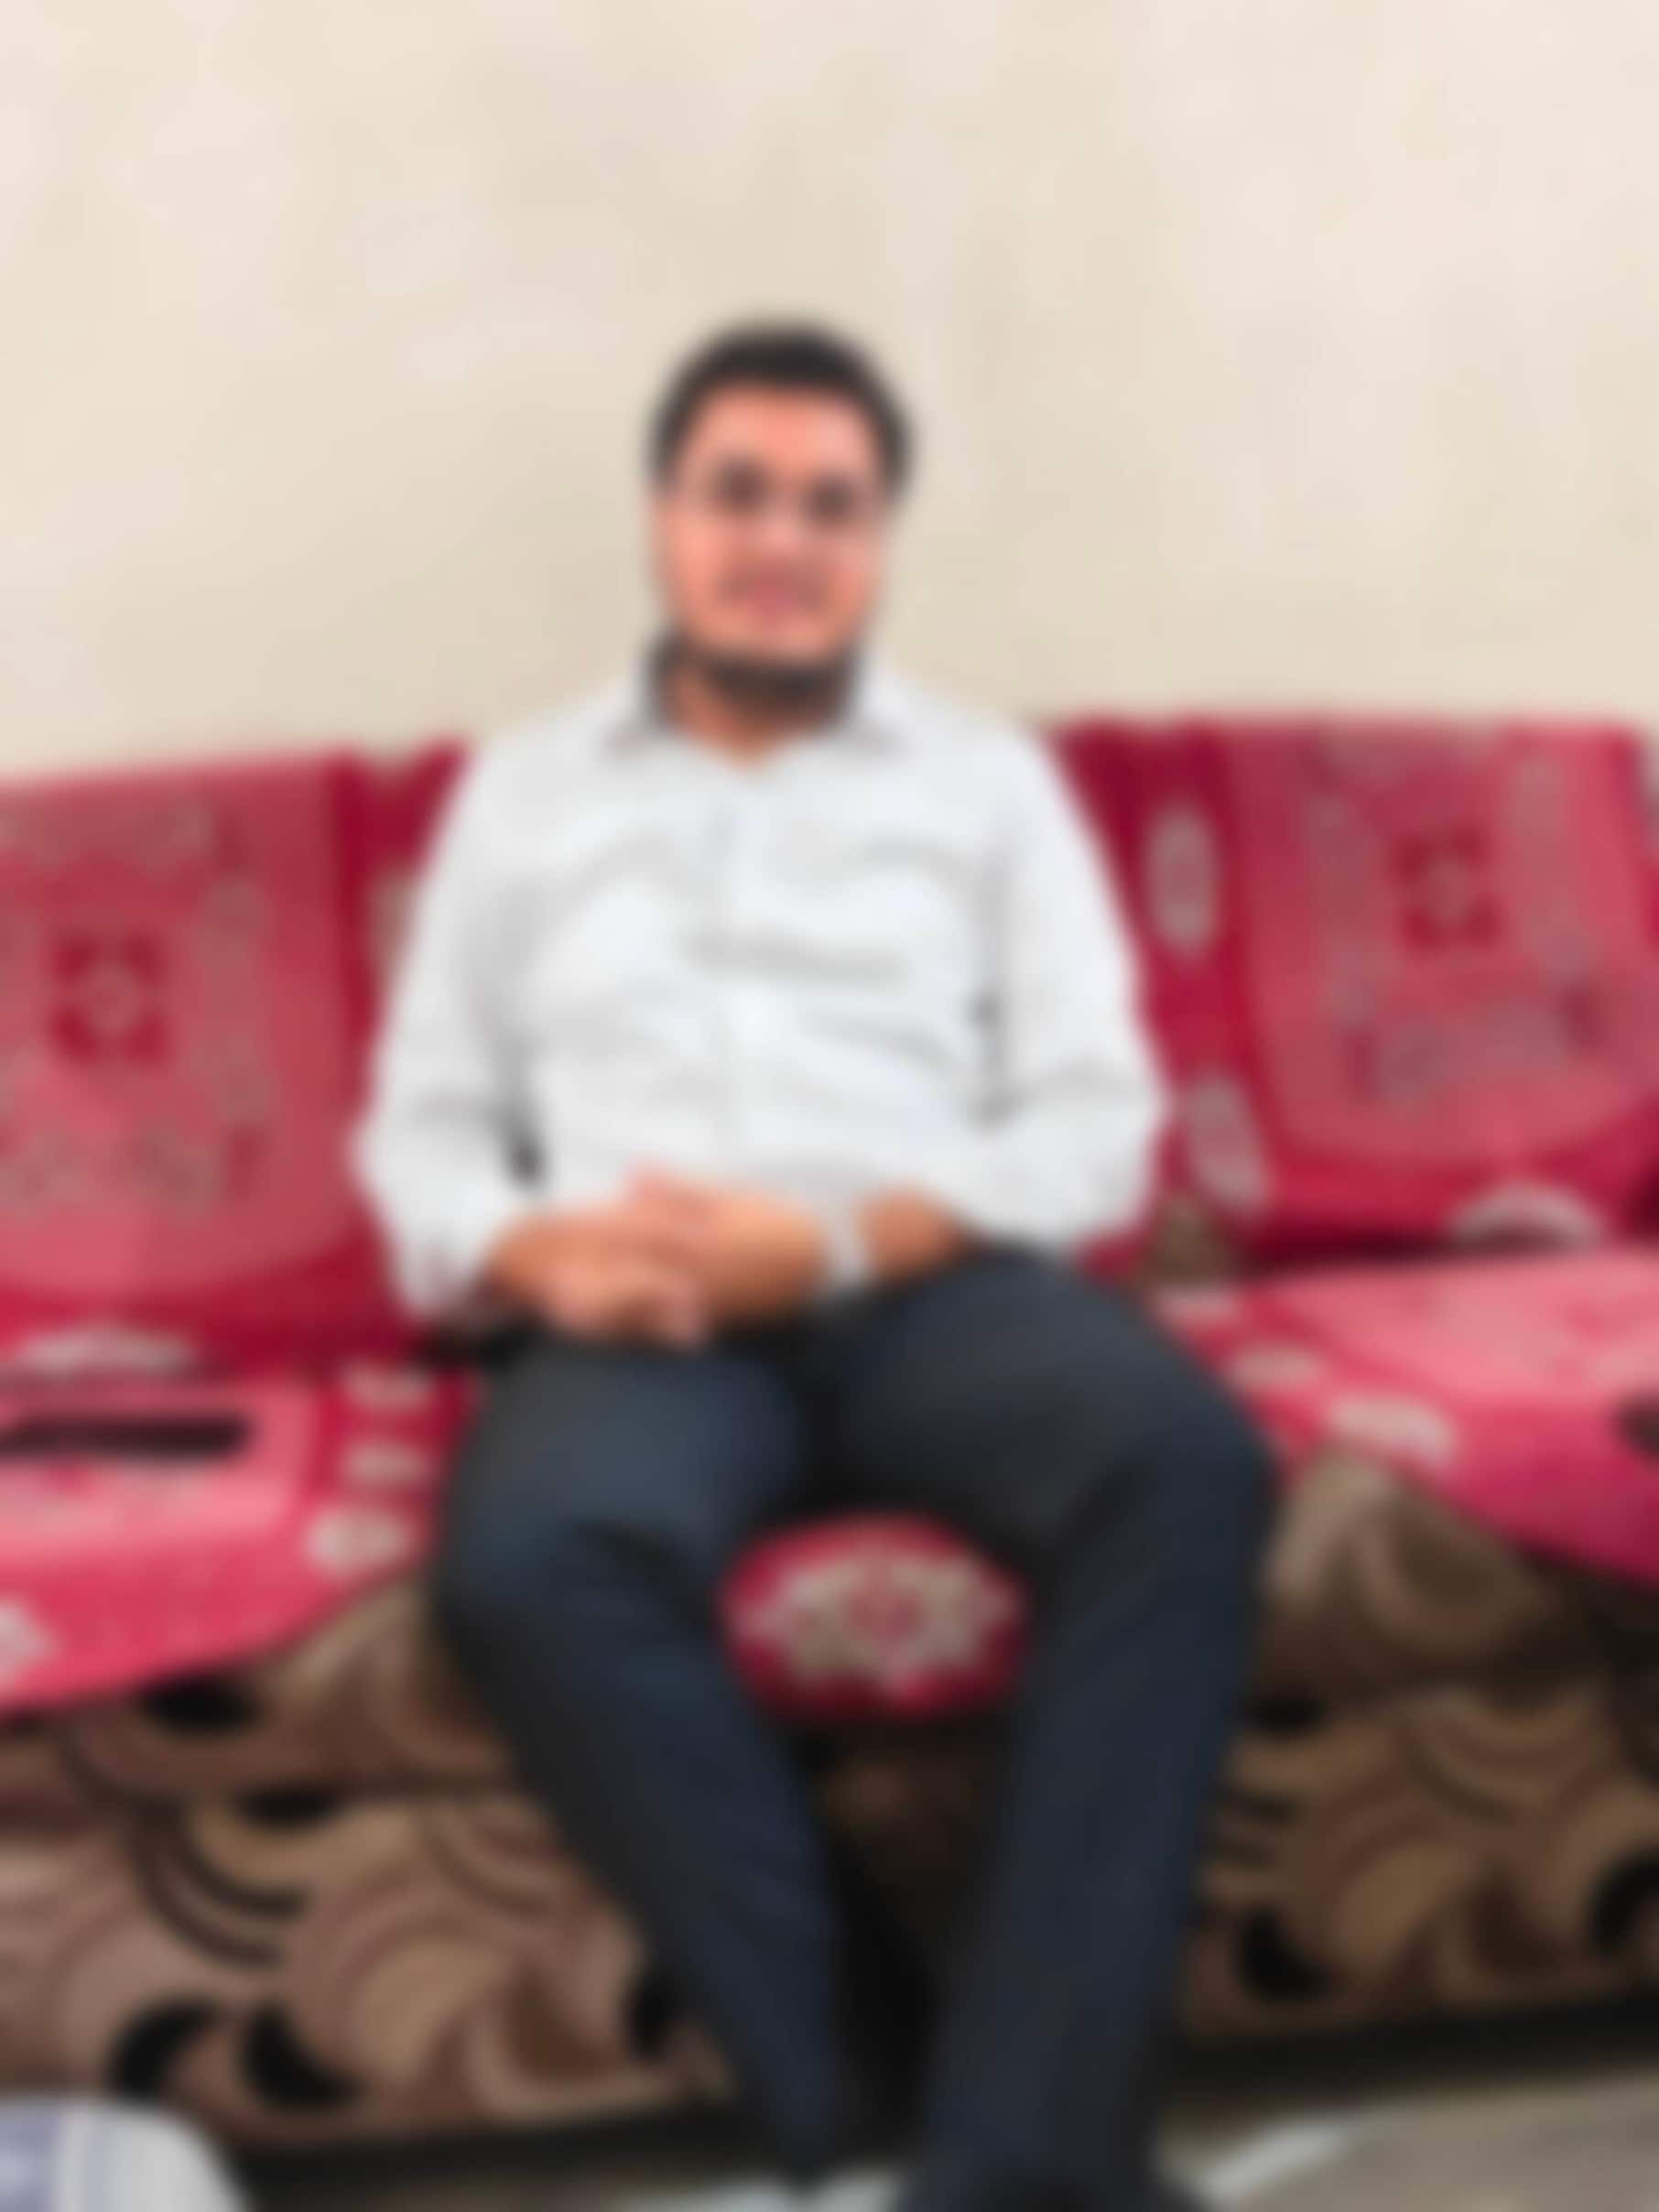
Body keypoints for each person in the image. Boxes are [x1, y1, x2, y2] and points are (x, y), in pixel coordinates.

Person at [352, 322, 1272, 2212]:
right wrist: (541, 1253)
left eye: (831, 506)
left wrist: (846, 1237)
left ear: (881, 542)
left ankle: (1011, 2168)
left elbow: (1099, 1123)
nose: (781, 541)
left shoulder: (987, 784)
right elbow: (421, 1134)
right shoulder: (524, 796)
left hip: (935, 1290)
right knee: (530, 1563)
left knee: (1185, 1467)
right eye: (738, 494)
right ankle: (901, 2109)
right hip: (649, 1323)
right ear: (661, 519)